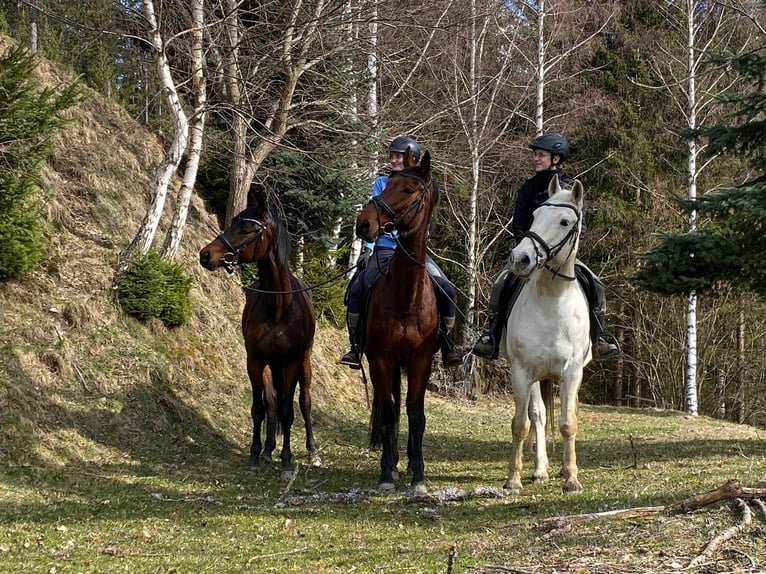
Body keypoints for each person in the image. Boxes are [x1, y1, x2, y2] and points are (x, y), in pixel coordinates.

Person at [471, 133, 621, 361]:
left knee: (596, 284)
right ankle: (491, 336)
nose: (536, 159)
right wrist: (525, 244)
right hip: (531, 253)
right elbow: (519, 220)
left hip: (562, 256)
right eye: (535, 155)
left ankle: (599, 338)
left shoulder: (572, 189)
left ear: (556, 159)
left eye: (541, 155)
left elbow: (582, 225)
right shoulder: (529, 187)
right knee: (500, 283)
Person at [340, 136, 462, 369]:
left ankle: (447, 343)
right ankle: (356, 345)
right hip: (385, 250)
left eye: (399, 156)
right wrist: (368, 249)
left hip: (414, 253)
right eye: (392, 155)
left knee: (446, 289)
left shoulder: (422, 188)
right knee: (357, 288)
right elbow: (375, 216)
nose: (394, 160)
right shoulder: (382, 183)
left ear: (411, 159)